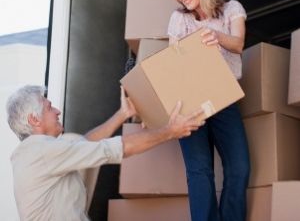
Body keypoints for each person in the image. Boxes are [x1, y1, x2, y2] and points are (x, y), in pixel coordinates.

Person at [6, 85, 205, 221]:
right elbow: (116, 148)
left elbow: (83, 144)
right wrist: (170, 131)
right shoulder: (41, 151)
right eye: (49, 108)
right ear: (34, 120)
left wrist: (122, 114)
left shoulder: (38, 152)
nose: (57, 111)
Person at [167, 0, 250, 221]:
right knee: (199, 170)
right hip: (190, 101)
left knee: (239, 167)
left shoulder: (231, 9)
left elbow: (237, 44)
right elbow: (173, 60)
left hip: (224, 98)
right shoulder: (179, 19)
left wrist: (216, 36)